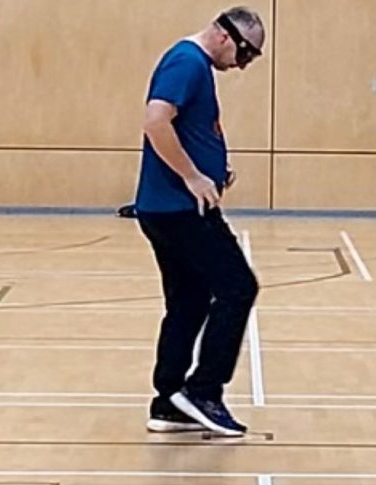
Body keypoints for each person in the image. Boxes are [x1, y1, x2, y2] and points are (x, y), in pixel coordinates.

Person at [132, 6, 265, 436]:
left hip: (165, 209)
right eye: (245, 53)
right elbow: (156, 121)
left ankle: (169, 402)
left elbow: (185, 127)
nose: (243, 64)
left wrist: (212, 166)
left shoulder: (193, 65)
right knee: (238, 286)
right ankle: (204, 391)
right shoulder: (187, 61)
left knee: (188, 302)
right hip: (179, 210)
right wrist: (192, 175)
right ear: (225, 35)